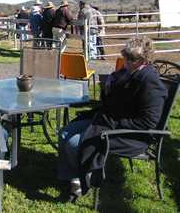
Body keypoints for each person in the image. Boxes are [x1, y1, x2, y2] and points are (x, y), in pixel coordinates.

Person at [57, 36, 167, 201]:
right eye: (125, 56)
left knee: (74, 143)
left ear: (144, 60)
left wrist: (111, 123)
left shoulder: (150, 82)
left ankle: (82, 180)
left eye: (132, 58)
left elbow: (148, 122)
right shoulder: (127, 73)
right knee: (65, 132)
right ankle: (72, 176)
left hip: (132, 135)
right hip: (110, 120)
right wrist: (108, 88)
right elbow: (112, 102)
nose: (127, 61)